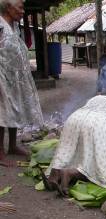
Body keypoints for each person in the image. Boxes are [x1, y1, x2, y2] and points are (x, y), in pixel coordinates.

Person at [42, 92, 106, 196]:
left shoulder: (95, 99)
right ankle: (71, 173)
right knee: (101, 170)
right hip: (99, 123)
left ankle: (54, 174)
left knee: (65, 150)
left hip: (74, 118)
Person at [0, 0, 43, 166]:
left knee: (14, 109)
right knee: (2, 113)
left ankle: (12, 146)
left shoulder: (14, 26)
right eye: (20, 7)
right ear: (8, 8)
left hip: (16, 78)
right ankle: (0, 152)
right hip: (2, 76)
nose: (23, 11)